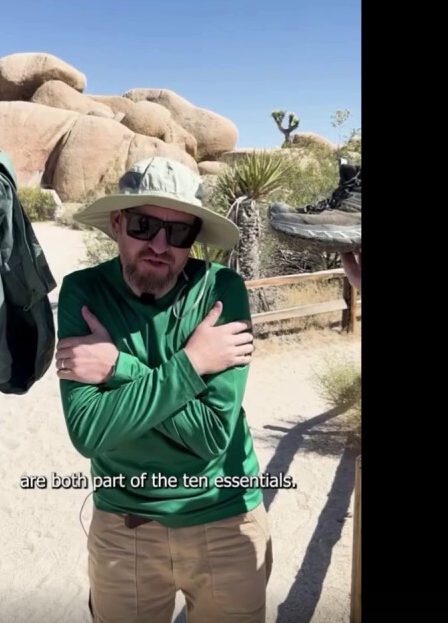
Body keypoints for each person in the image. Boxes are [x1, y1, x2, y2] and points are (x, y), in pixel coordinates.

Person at [55, 157, 273, 623]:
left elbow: (212, 436)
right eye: (144, 224)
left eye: (178, 233)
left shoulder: (221, 290)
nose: (159, 245)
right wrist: (195, 362)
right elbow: (89, 431)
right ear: (117, 223)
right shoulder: (84, 292)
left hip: (225, 516)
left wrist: (117, 365)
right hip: (124, 525)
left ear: (193, 239)